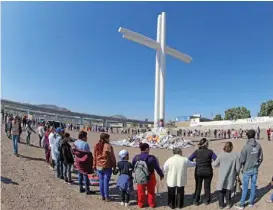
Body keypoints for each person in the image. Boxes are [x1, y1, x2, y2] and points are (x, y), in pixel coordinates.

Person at [235, 129, 263, 209]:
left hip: (247, 169)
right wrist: (257, 165)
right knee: (253, 185)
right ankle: (251, 202)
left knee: (245, 187)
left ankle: (242, 203)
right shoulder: (258, 145)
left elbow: (242, 160)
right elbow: (261, 158)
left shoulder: (245, 147)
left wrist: (239, 169)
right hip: (255, 169)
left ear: (247, 136)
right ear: (254, 135)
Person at [132, 143, 164, 208]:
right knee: (151, 191)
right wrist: (161, 175)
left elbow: (133, 167)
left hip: (140, 176)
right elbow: (157, 168)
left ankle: (140, 204)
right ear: (147, 149)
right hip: (150, 175)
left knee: (140, 191)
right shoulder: (152, 158)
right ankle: (151, 204)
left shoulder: (136, 157)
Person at [188, 138, 217, 206]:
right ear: (205, 144)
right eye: (207, 143)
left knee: (198, 186)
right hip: (208, 171)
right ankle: (206, 200)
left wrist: (196, 162)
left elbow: (189, 159)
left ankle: (196, 201)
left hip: (199, 171)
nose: (208, 144)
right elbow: (216, 159)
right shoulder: (210, 151)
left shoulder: (197, 151)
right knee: (207, 186)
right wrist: (210, 161)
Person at [212, 142, 240, 209]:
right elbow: (238, 168)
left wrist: (213, 163)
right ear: (231, 147)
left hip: (222, 176)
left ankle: (221, 205)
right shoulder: (235, 155)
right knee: (228, 190)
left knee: (221, 190)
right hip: (231, 176)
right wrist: (237, 173)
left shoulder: (221, 154)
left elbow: (214, 164)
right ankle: (228, 204)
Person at [93, 133, 116, 201]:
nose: (109, 139)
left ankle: (102, 196)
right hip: (107, 166)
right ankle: (107, 197)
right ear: (105, 139)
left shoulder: (96, 145)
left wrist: (94, 165)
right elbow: (112, 157)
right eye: (108, 138)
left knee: (101, 181)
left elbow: (94, 157)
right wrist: (114, 166)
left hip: (98, 166)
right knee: (106, 182)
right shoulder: (108, 146)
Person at [73, 131, 95, 195]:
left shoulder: (75, 142)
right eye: (86, 136)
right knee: (85, 175)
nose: (87, 138)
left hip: (78, 160)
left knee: (80, 174)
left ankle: (80, 188)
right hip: (84, 161)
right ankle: (87, 189)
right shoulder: (85, 144)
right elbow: (87, 153)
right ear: (83, 137)